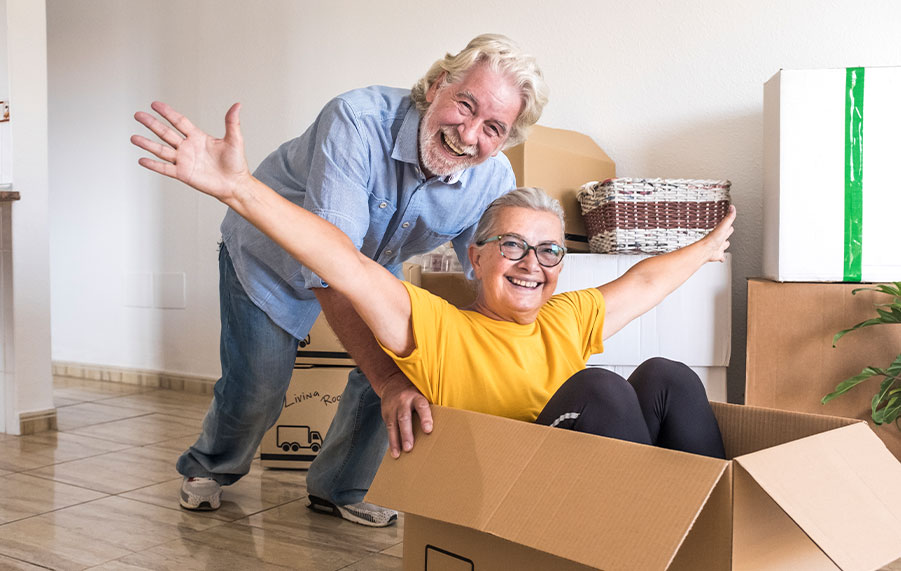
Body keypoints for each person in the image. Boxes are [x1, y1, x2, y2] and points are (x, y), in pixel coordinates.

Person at [132, 101, 736, 472]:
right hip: (521, 482)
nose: (532, 263)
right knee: (603, 388)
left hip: (589, 466)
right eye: (513, 245)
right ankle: (638, 537)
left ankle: (710, 533)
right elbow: (340, 262)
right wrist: (238, 188)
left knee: (668, 376)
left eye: (549, 249)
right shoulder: (437, 326)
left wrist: (709, 246)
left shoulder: (568, 317)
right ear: (475, 258)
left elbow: (647, 280)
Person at [131, 34, 548, 526]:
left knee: (415, 358)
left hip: (369, 266)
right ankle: (210, 466)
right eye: (465, 104)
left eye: (493, 127)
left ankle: (338, 487)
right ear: (438, 85)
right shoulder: (357, 120)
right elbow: (330, 268)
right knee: (261, 388)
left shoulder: (491, 178)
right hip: (268, 257)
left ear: (506, 138)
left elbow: (487, 276)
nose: (469, 133)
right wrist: (387, 378)